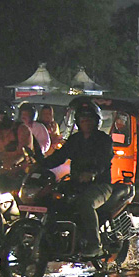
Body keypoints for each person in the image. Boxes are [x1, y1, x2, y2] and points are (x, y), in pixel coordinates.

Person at [36, 100, 113, 256]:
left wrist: (92, 173)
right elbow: (59, 157)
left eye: (89, 119)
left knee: (85, 203)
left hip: (100, 185)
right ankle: (51, 237)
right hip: (75, 183)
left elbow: (104, 160)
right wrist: (40, 165)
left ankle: (94, 244)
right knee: (50, 197)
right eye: (82, 119)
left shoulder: (104, 140)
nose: (86, 123)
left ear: (96, 121)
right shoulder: (75, 140)